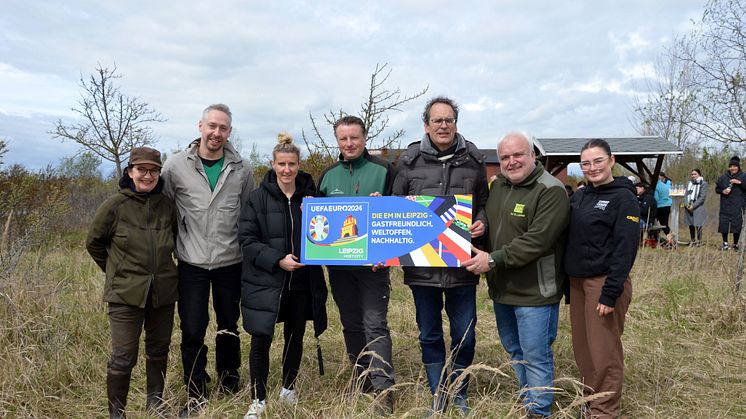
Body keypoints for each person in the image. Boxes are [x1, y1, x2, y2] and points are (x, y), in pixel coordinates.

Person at [391, 96, 489, 415]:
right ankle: (439, 393)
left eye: (449, 120)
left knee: (466, 336)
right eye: (437, 120)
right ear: (427, 125)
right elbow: (395, 209)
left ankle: (459, 391)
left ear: (456, 124)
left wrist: (482, 222)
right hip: (423, 270)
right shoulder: (409, 161)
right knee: (429, 334)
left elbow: (485, 204)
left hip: (462, 267)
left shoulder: (473, 160)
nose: (443, 125)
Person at [463, 131, 569, 418]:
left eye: (518, 155)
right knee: (515, 351)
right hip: (503, 289)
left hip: (536, 292)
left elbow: (536, 241)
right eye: (505, 157)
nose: (512, 161)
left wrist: (493, 260)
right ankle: (528, 400)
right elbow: (490, 221)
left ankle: (539, 411)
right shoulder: (498, 187)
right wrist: (480, 228)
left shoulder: (551, 190)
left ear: (533, 155)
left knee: (536, 355)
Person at [162, 104, 254, 416]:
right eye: (212, 126)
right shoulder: (175, 166)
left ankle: (229, 382)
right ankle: (195, 389)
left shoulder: (242, 168)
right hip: (192, 262)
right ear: (201, 126)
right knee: (192, 327)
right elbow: (164, 208)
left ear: (230, 132)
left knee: (229, 325)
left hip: (231, 261)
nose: (216, 133)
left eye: (223, 128)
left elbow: (248, 212)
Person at [239, 133, 328, 418]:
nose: (287, 170)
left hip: (302, 281)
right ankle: (258, 399)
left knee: (295, 335)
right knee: (261, 338)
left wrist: (315, 211)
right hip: (266, 281)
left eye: (292, 164)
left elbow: (333, 231)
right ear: (273, 164)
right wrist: (278, 260)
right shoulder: (256, 199)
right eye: (281, 164)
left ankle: (288, 389)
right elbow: (247, 240)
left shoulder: (313, 199)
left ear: (299, 165)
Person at [86, 147, 178, 418]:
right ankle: (117, 413)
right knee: (123, 356)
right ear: (130, 172)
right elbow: (94, 244)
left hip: (163, 291)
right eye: (141, 170)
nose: (147, 176)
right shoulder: (114, 206)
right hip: (125, 295)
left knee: (159, 349)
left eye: (153, 170)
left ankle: (155, 404)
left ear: (159, 174)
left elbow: (175, 240)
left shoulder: (166, 206)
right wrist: (117, 272)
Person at [317, 115, 396, 413]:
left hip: (373, 267)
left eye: (354, 137)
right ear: (337, 141)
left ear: (365, 137)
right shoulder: (327, 175)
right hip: (339, 268)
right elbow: (318, 222)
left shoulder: (385, 170)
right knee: (351, 323)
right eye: (343, 139)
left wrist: (384, 204)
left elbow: (400, 212)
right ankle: (362, 380)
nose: (349, 143)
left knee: (375, 324)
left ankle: (383, 390)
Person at [564, 139, 639, 418]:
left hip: (603, 282)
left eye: (598, 161)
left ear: (611, 161)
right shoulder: (582, 195)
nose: (592, 168)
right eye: (586, 163)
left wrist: (610, 292)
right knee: (584, 350)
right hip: (578, 283)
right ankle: (590, 401)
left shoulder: (624, 198)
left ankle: (604, 411)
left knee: (604, 351)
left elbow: (626, 248)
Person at [715, 156, 746, 250]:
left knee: (737, 224)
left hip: (738, 204)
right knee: (724, 224)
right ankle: (725, 243)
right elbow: (717, 189)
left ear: (738, 167)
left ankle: (735, 244)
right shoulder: (723, 177)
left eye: (735, 166)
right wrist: (722, 191)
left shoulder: (743, 176)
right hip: (725, 204)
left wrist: (740, 183)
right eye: (731, 166)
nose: (733, 168)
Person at [685, 169, 708, 246]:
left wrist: (693, 206)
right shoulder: (689, 183)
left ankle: (699, 241)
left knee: (698, 224)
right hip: (689, 205)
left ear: (699, 174)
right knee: (691, 224)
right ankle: (692, 240)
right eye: (692, 174)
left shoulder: (703, 184)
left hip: (698, 206)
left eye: (695, 174)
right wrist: (687, 204)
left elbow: (702, 197)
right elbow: (686, 194)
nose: (693, 176)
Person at [654, 172, 673, 244]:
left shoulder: (656, 186)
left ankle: (670, 240)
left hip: (660, 206)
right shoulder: (664, 185)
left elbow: (656, 198)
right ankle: (670, 239)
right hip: (667, 205)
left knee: (658, 224)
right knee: (665, 224)